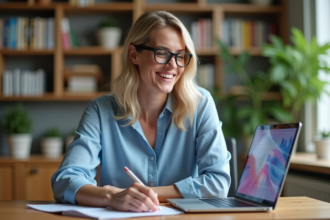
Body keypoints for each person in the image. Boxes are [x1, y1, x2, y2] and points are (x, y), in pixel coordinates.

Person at [51, 11, 231, 213]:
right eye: (162, 53)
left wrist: (145, 194)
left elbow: (218, 184)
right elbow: (65, 180)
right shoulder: (100, 111)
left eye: (181, 56)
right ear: (134, 54)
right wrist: (112, 196)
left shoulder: (200, 104)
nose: (173, 65)